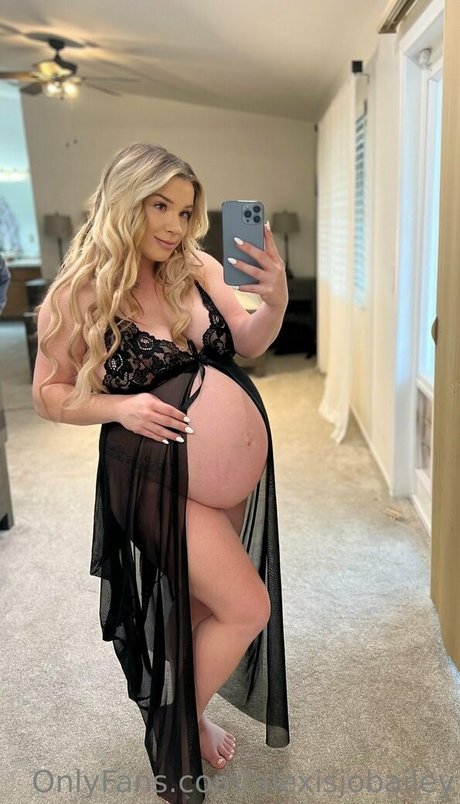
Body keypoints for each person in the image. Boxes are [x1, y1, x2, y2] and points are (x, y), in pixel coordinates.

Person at [32, 142, 290, 804]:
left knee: (203, 605)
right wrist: (120, 405)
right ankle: (173, 728)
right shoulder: (81, 291)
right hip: (149, 471)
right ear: (125, 202)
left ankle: (191, 716)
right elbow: (48, 395)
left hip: (213, 481)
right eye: (159, 206)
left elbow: (248, 341)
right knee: (247, 607)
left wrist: (275, 299)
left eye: (185, 210)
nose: (176, 225)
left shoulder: (194, 266)